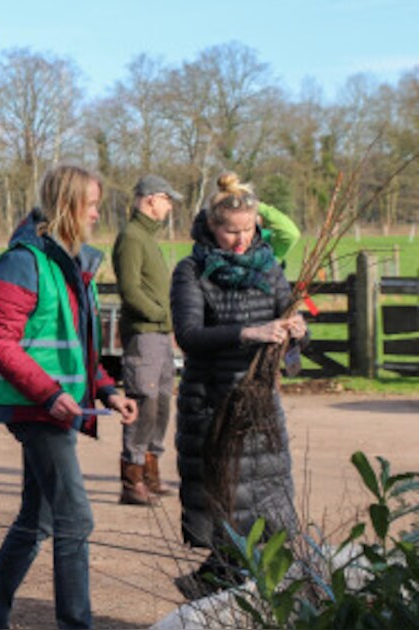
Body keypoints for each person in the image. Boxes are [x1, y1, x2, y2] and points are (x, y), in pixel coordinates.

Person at [0, 165, 137, 629]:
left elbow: (75, 346)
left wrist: (106, 391)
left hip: (51, 405)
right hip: (37, 408)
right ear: (67, 206)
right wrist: (48, 394)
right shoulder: (23, 261)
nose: (97, 214)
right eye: (90, 205)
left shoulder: (65, 264)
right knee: (75, 520)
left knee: (38, 519)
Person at [170, 172, 307, 599]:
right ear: (210, 226)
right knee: (227, 516)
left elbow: (287, 326)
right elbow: (189, 335)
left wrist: (297, 332)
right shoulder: (190, 270)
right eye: (231, 231)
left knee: (267, 516)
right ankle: (216, 597)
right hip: (213, 405)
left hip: (260, 406)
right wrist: (249, 333)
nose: (241, 240)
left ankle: (221, 593)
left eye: (248, 230)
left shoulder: (269, 268)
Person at [112, 175, 181, 506]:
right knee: (144, 401)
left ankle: (152, 471)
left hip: (160, 333)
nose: (170, 207)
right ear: (152, 199)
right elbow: (130, 290)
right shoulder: (132, 237)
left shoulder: (147, 237)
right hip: (144, 333)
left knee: (162, 403)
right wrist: (159, 315)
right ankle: (132, 478)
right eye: (168, 200)